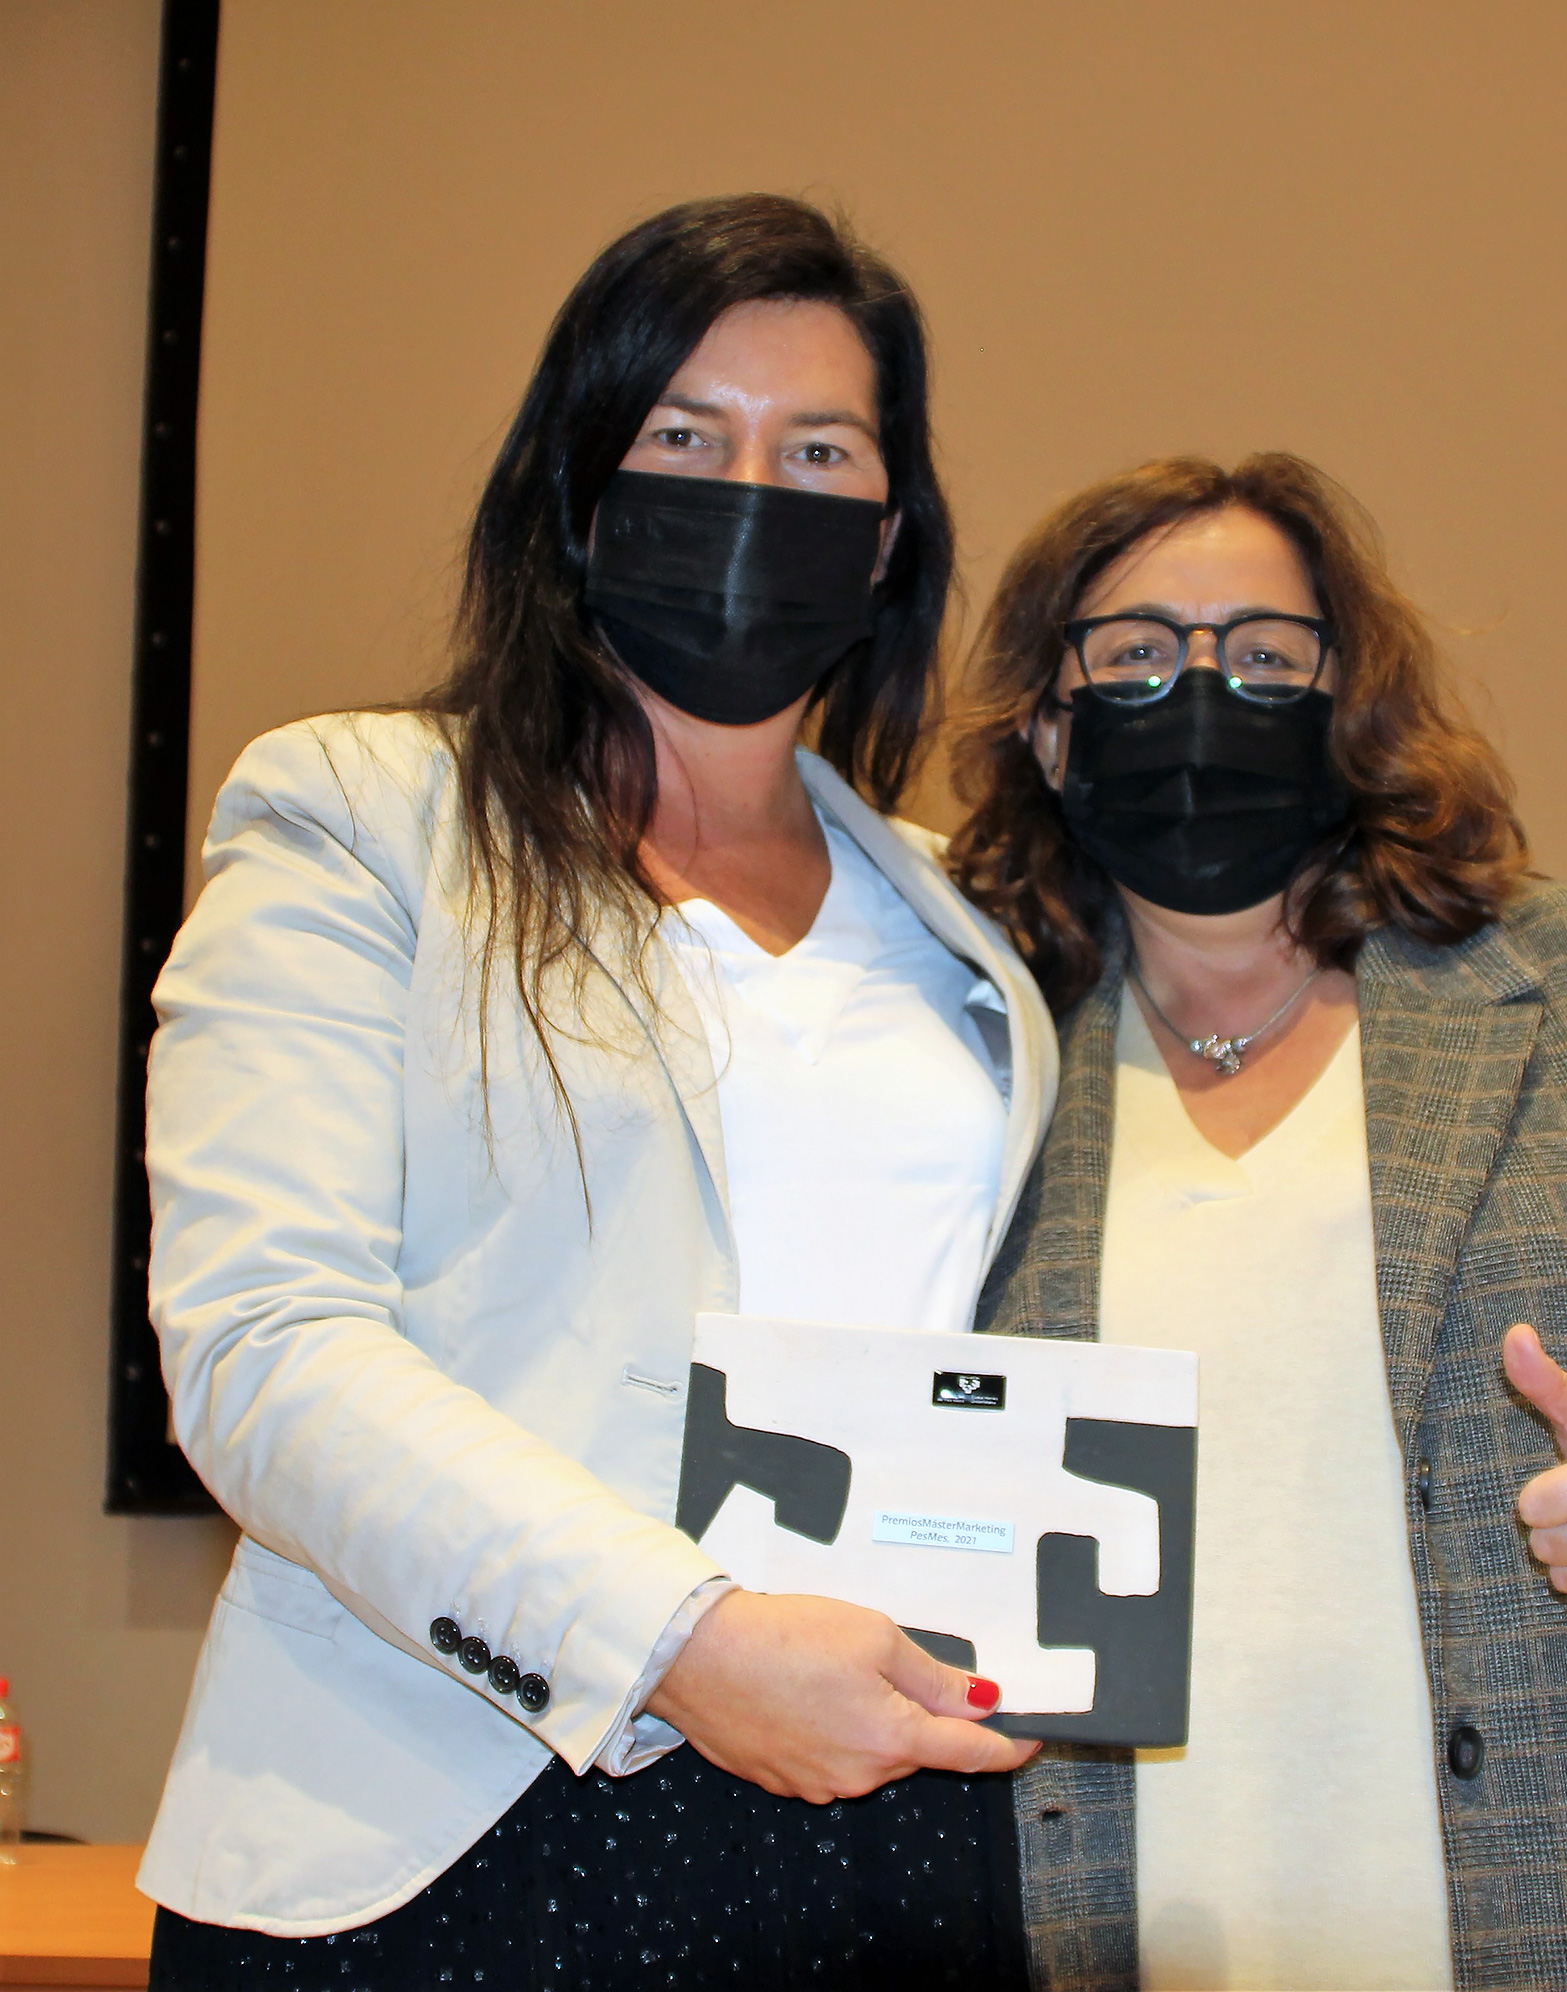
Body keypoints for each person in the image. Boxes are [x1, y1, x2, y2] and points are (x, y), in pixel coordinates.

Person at [140, 195, 1053, 1990]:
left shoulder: (969, 921)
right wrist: (676, 1641)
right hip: (449, 1820)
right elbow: (263, 1344)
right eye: (687, 438)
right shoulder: (358, 815)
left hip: (896, 1824)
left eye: (819, 451)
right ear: (579, 486)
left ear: (888, 540)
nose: (754, 490)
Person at [949, 453, 1567, 1992]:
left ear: (1350, 697)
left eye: (1265, 655)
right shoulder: (966, 1061)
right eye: (1134, 655)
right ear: (1048, 727)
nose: (1201, 694)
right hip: (1105, 1930)